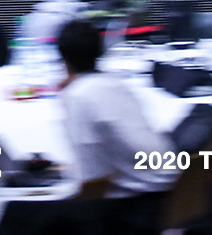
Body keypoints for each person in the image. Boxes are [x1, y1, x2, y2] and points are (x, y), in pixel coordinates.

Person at [51, 20, 169, 235]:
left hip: (137, 211)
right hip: (170, 196)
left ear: (63, 58)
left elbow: (90, 179)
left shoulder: (79, 95)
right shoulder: (115, 83)